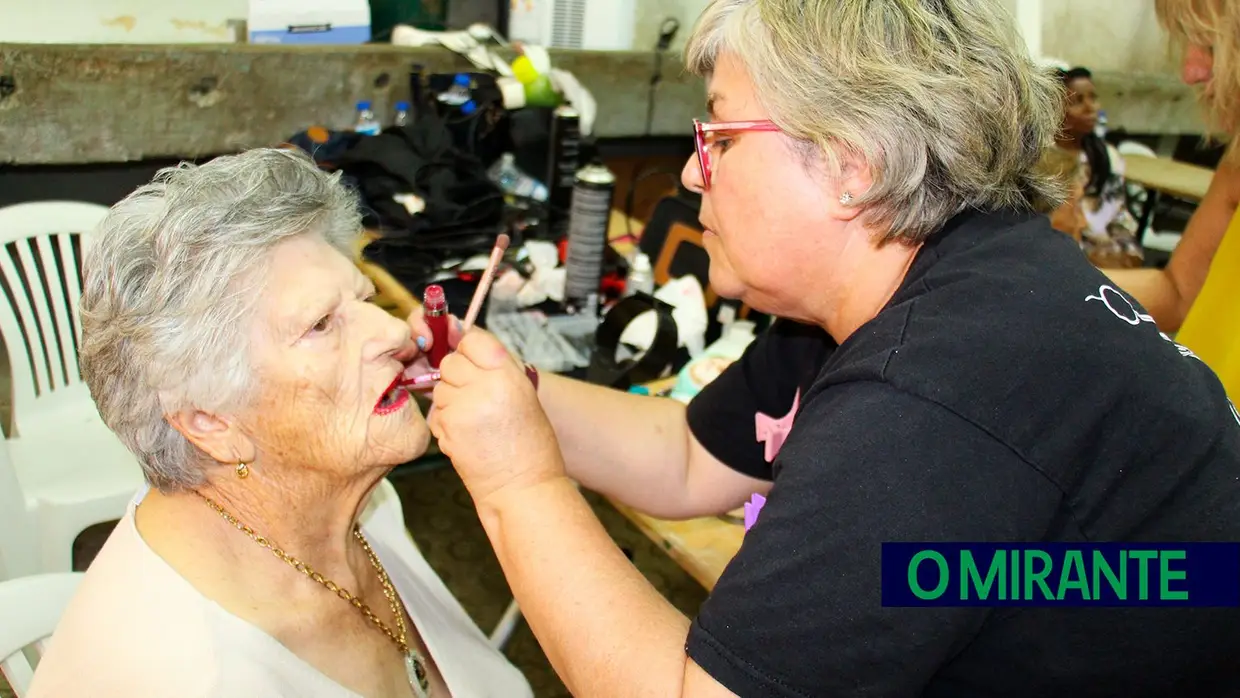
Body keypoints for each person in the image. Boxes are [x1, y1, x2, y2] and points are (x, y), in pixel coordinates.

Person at [413, 0, 1240, 696]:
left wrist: (517, 481)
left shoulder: (933, 389)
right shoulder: (927, 276)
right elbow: (686, 458)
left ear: (854, 166)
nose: (695, 175)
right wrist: (496, 389)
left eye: (724, 138)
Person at [27, 148, 532, 698]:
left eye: (363, 297)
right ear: (209, 421)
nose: (394, 335)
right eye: (320, 324)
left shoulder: (359, 504)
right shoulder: (197, 677)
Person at [1106, 0, 1240, 398]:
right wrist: (1040, 284)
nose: (1189, 72)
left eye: (1213, 48)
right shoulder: (1235, 163)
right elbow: (1179, 290)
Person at [1050, 66, 1144, 268]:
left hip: (1101, 248)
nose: (1090, 107)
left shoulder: (1107, 157)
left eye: (1093, 98)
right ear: (1056, 109)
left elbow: (1118, 216)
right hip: (1059, 248)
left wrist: (1123, 252)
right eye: (1078, 101)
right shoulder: (1043, 159)